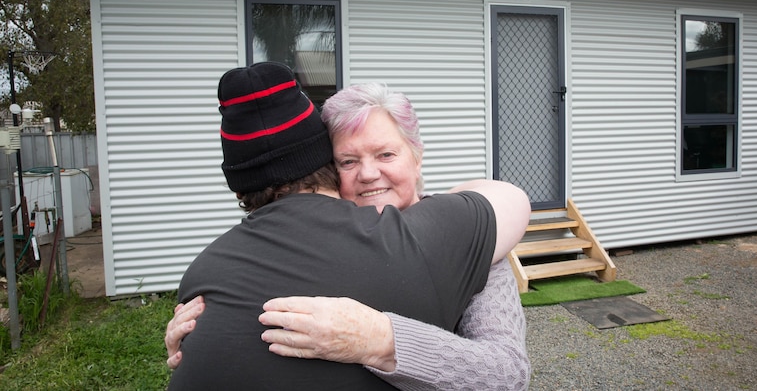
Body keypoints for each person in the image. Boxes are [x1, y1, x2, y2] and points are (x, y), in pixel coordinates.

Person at [167, 62, 530, 390]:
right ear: (325, 166)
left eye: (386, 154)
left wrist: (382, 341)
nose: (369, 174)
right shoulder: (305, 246)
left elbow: (507, 374)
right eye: (348, 160)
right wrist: (207, 335)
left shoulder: (476, 242)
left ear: (417, 158)